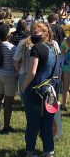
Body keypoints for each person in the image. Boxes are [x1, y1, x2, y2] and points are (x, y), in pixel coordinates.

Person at [22, 22, 59, 157]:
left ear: (44, 33)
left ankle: (30, 152)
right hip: (51, 90)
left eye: (35, 32)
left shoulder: (36, 49)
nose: (32, 34)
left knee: (33, 123)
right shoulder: (54, 48)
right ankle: (48, 151)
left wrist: (24, 86)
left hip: (35, 91)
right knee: (47, 123)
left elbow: (31, 72)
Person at [0, 24, 17, 133]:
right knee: (8, 102)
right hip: (9, 75)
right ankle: (6, 126)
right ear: (8, 35)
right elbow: (15, 63)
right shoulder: (12, 47)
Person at [60, 36, 70, 111]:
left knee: (65, 88)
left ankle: (64, 105)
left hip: (66, 67)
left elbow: (62, 54)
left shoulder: (64, 41)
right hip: (66, 67)